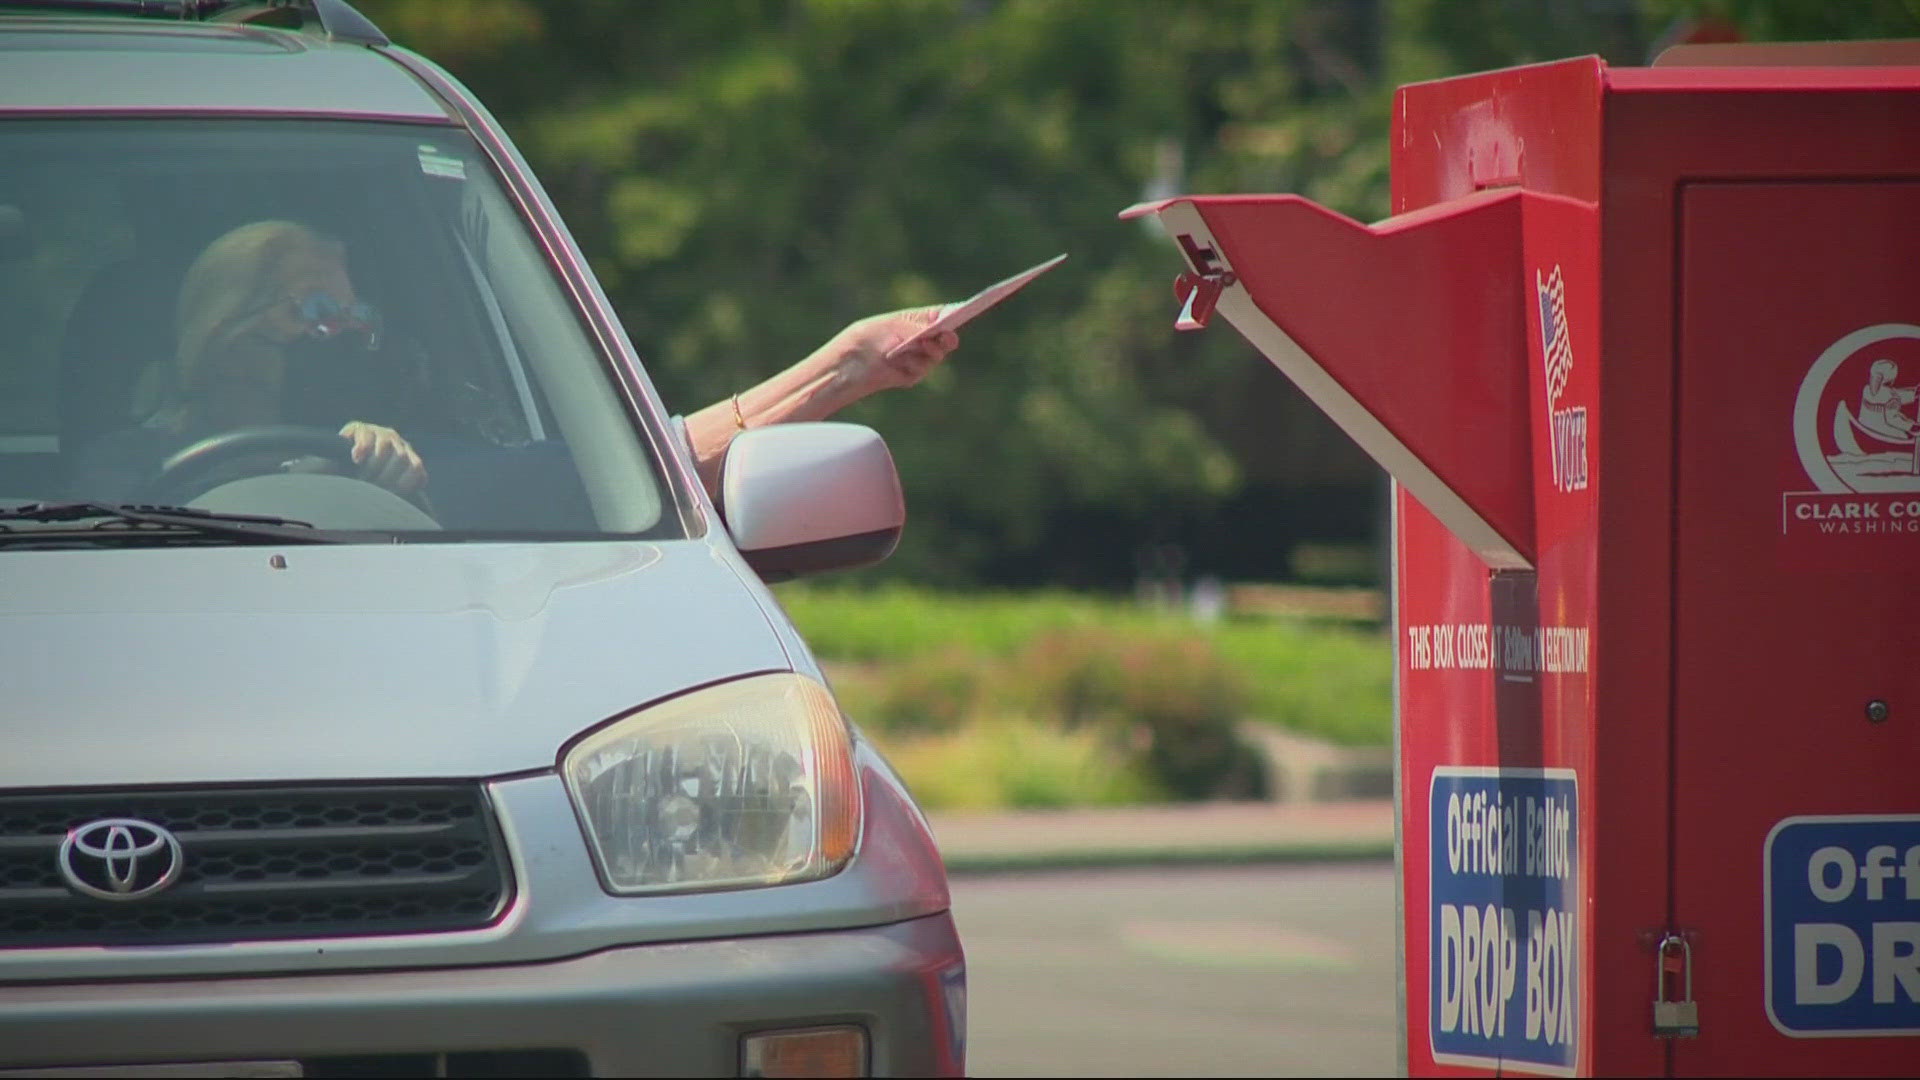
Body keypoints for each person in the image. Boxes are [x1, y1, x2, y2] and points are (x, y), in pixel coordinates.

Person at [72, 218, 961, 508]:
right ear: (224, 330)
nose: (346, 333)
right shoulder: (119, 476)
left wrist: (848, 366)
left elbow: (646, 469)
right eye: (314, 310)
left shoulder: (427, 453)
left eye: (354, 311)